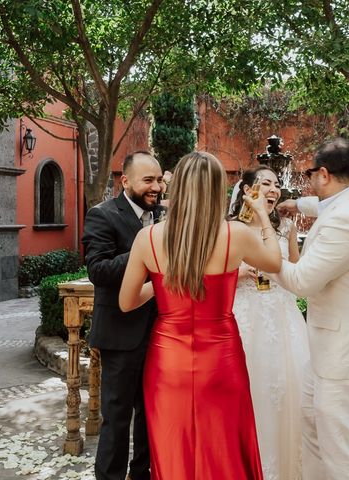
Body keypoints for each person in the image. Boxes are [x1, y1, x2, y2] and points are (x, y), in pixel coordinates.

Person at [119, 151, 282, 480]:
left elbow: (126, 302)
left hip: (167, 361)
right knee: (224, 448)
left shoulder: (147, 238)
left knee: (173, 449)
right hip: (221, 359)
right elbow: (275, 264)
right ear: (217, 189)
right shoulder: (235, 235)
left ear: (176, 188)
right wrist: (263, 217)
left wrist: (166, 284)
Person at [273, 138, 349, 480]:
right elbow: (330, 205)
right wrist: (297, 205)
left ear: (324, 173)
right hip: (333, 344)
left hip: (348, 350)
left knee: (343, 451)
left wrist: (269, 257)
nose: (310, 181)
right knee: (311, 423)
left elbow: (301, 282)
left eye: (311, 175)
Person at [82, 151, 165, 480]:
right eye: (148, 180)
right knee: (116, 418)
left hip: (161, 332)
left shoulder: (161, 215)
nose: (156, 187)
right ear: (125, 181)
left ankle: (141, 474)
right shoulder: (101, 215)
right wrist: (147, 249)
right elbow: (98, 270)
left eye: (159, 180)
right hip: (120, 334)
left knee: (150, 415)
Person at [229, 166, 309, 480]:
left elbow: (295, 269)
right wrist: (239, 275)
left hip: (283, 315)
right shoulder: (231, 228)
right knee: (252, 388)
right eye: (265, 183)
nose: (273, 190)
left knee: (290, 388)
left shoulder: (286, 226)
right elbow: (214, 273)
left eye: (276, 184)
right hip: (246, 315)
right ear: (248, 190)